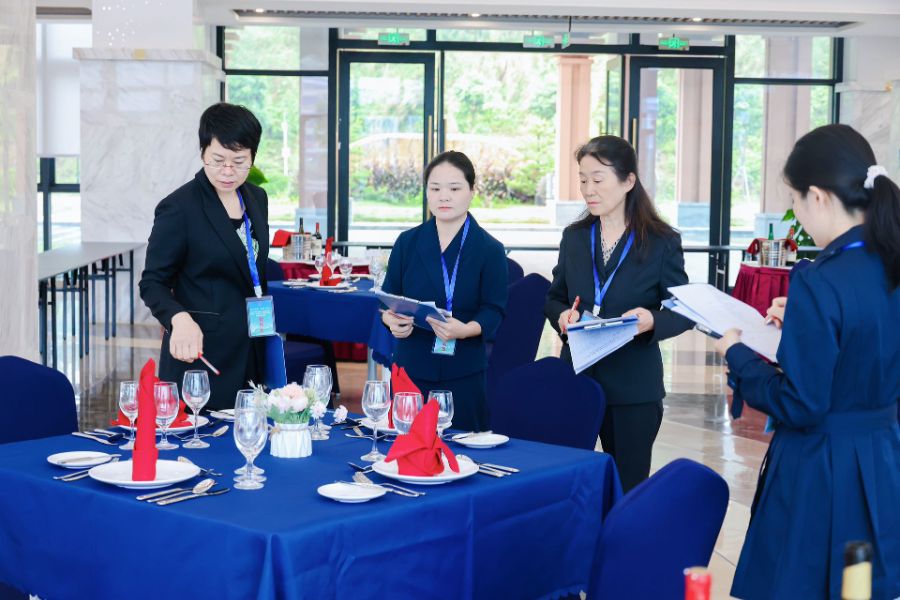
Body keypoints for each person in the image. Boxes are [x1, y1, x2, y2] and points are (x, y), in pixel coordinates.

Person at [715, 124, 900, 600]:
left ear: (817, 196)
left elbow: (802, 402)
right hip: (882, 456)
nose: (796, 212)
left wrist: (738, 354)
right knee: (864, 585)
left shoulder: (820, 280)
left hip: (821, 466)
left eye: (795, 200)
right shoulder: (889, 260)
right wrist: (800, 326)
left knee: (801, 582)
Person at [544, 136, 693, 492]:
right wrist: (562, 316)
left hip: (633, 388)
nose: (588, 190)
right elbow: (554, 298)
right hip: (578, 379)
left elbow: (684, 311)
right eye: (583, 179)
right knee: (570, 484)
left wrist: (652, 321)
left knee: (627, 489)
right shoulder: (575, 237)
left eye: (598, 179)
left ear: (628, 181)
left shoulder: (661, 242)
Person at [140, 103, 269, 410]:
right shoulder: (179, 207)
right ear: (202, 153)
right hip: (201, 355)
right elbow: (153, 283)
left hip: (252, 346)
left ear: (252, 157)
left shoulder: (257, 198)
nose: (228, 171)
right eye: (218, 160)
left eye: (239, 161)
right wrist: (178, 318)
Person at [381, 151, 508, 432]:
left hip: (463, 370)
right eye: (435, 188)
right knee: (405, 445)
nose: (444, 197)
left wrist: (465, 330)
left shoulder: (490, 249)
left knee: (461, 449)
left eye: (454, 188)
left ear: (472, 191)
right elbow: (389, 299)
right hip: (412, 366)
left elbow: (494, 309)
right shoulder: (407, 242)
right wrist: (391, 321)